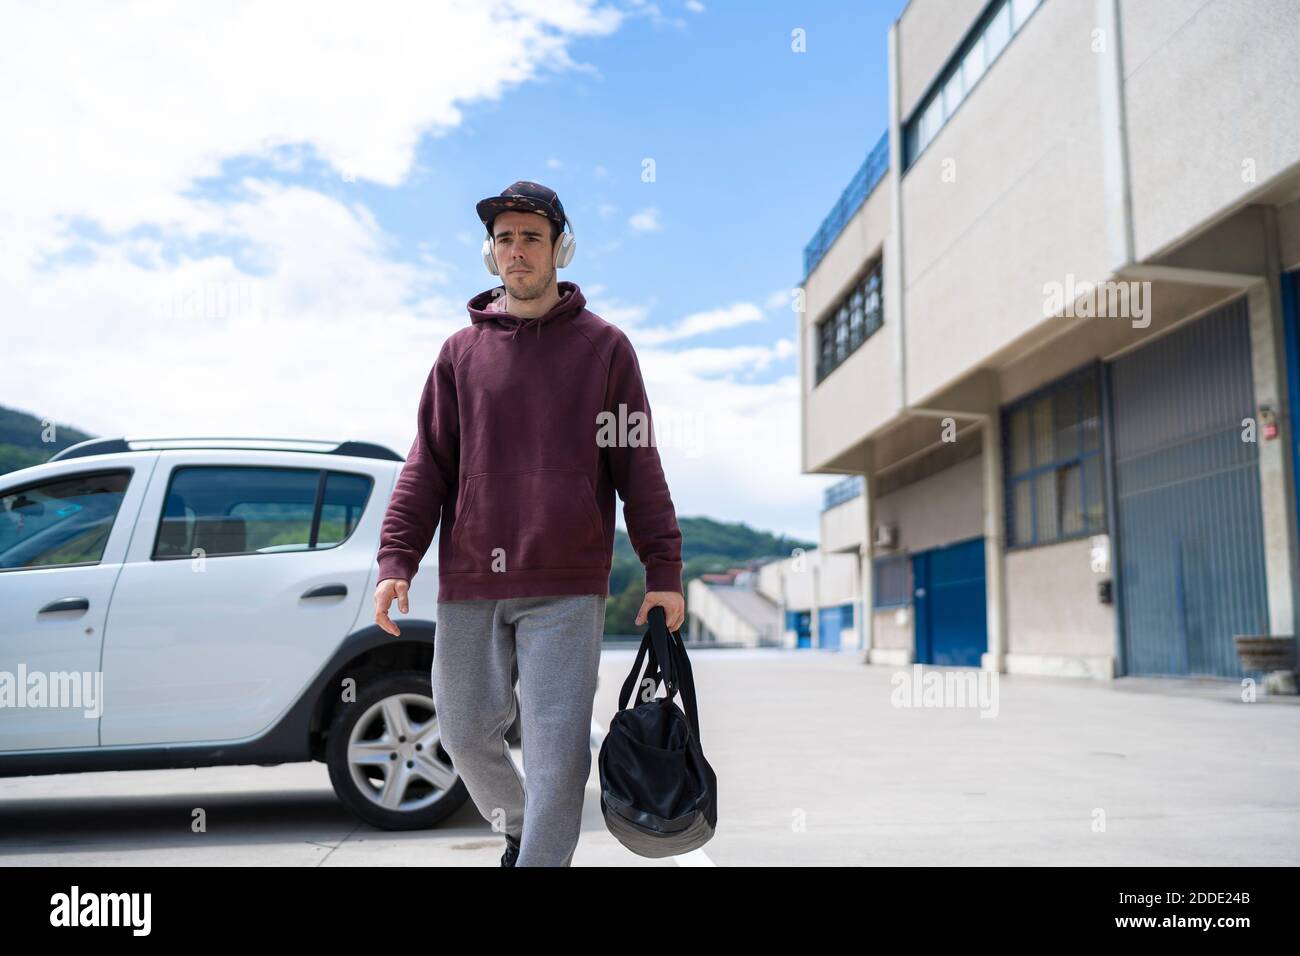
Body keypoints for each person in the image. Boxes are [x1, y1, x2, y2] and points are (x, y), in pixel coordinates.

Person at [372, 180, 685, 867]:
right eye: (505, 238)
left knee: (557, 749)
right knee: (461, 732)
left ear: (559, 249)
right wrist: (396, 561)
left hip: (566, 582)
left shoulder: (606, 349)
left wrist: (664, 568)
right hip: (470, 579)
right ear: (491, 254)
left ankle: (538, 859)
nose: (517, 251)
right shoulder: (459, 354)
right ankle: (519, 826)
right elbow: (426, 466)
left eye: (531, 238)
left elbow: (638, 463)